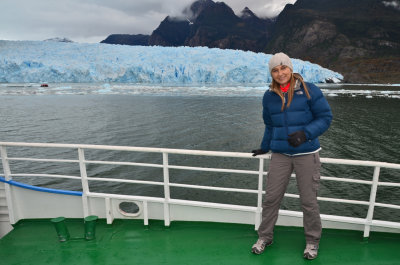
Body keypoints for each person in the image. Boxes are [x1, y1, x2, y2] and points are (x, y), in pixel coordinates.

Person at [251, 52, 332, 260]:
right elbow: (269, 125)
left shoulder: (309, 90)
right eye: (275, 70)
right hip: (280, 154)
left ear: (290, 68)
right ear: (272, 73)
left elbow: (325, 117)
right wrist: (264, 146)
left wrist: (306, 134)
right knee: (271, 199)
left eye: (283, 68)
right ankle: (265, 237)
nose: (280, 73)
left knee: (308, 201)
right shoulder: (269, 97)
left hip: (307, 153)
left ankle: (312, 241)